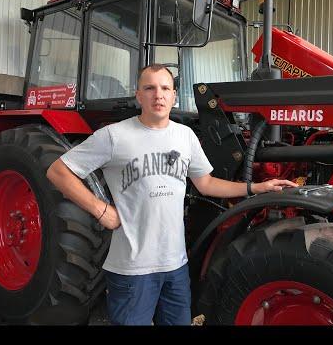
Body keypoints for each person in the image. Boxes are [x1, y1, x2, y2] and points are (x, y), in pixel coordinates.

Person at [46, 64, 297, 325]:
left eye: (165, 88)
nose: (158, 95)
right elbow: (58, 171)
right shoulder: (114, 136)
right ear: (138, 95)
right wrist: (101, 210)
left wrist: (255, 188)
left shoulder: (185, 136)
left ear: (174, 95)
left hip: (175, 267)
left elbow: (207, 184)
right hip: (133, 270)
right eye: (150, 88)